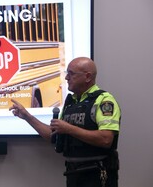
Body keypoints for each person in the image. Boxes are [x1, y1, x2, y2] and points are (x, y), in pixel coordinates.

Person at [9, 57, 121, 187]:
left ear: (88, 77)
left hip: (98, 175)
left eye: (71, 73)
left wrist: (68, 128)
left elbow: (106, 139)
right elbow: (54, 137)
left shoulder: (103, 101)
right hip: (73, 173)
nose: (67, 78)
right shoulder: (70, 103)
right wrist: (27, 117)